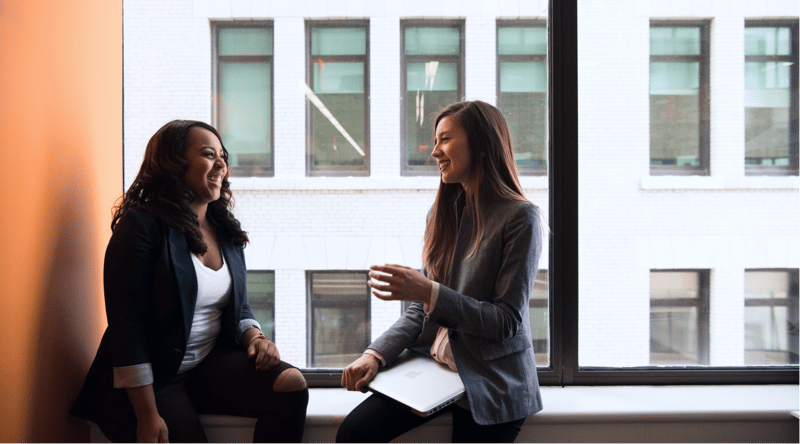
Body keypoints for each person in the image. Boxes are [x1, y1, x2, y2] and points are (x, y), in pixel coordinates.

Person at [70, 120, 308, 443]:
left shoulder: (224, 228)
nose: (222, 164)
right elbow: (128, 330)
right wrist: (146, 416)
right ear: (174, 163)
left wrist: (255, 337)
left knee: (290, 384)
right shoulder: (140, 226)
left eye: (223, 155)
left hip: (206, 366)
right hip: (154, 381)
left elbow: (238, 305)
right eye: (209, 154)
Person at [336, 101, 544, 443]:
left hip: (492, 379)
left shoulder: (521, 218)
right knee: (354, 433)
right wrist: (375, 354)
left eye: (445, 139)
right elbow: (421, 309)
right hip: (436, 371)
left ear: (480, 144)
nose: (434, 152)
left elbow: (506, 322)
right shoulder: (443, 212)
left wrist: (429, 292)